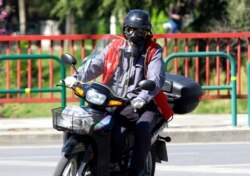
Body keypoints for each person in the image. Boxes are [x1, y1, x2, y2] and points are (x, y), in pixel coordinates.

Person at [64, 9, 173, 176]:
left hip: (144, 103)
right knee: (92, 125)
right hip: (113, 100)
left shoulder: (153, 50)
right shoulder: (115, 46)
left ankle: (135, 170)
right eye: (131, 29)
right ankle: (97, 160)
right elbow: (95, 64)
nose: (135, 34)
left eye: (141, 30)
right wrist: (75, 77)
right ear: (124, 29)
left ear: (147, 32)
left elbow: (156, 78)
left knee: (142, 129)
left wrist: (142, 98)